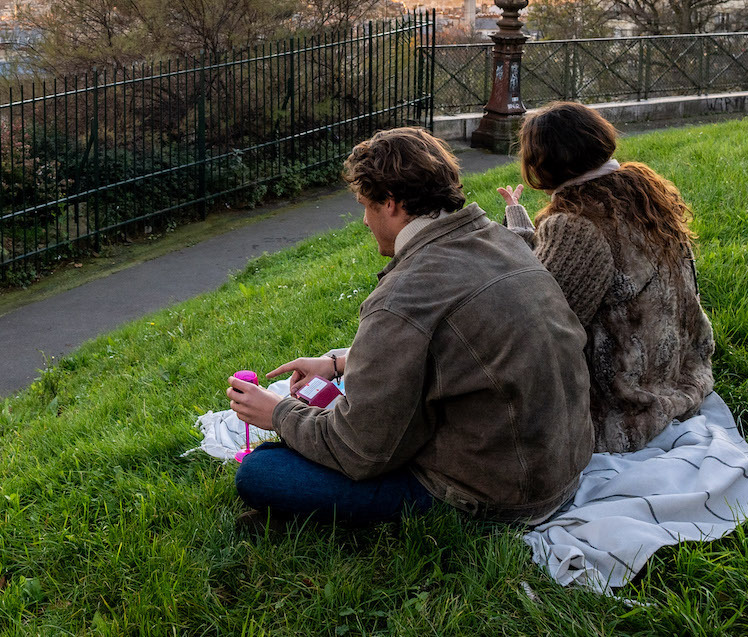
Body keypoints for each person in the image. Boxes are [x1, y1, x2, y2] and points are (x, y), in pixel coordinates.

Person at [227, 126, 593, 525]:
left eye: (366, 205)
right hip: (560, 467)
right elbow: (458, 345)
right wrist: (338, 363)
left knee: (262, 472)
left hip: (495, 495)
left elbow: (359, 452)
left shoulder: (403, 296)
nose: (365, 221)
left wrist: (277, 412)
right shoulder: (501, 241)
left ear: (391, 203)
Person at [499, 102, 715, 454]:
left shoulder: (577, 224)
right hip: (682, 374)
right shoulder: (642, 193)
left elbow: (546, 322)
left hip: (628, 407)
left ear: (541, 163)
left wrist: (517, 236)